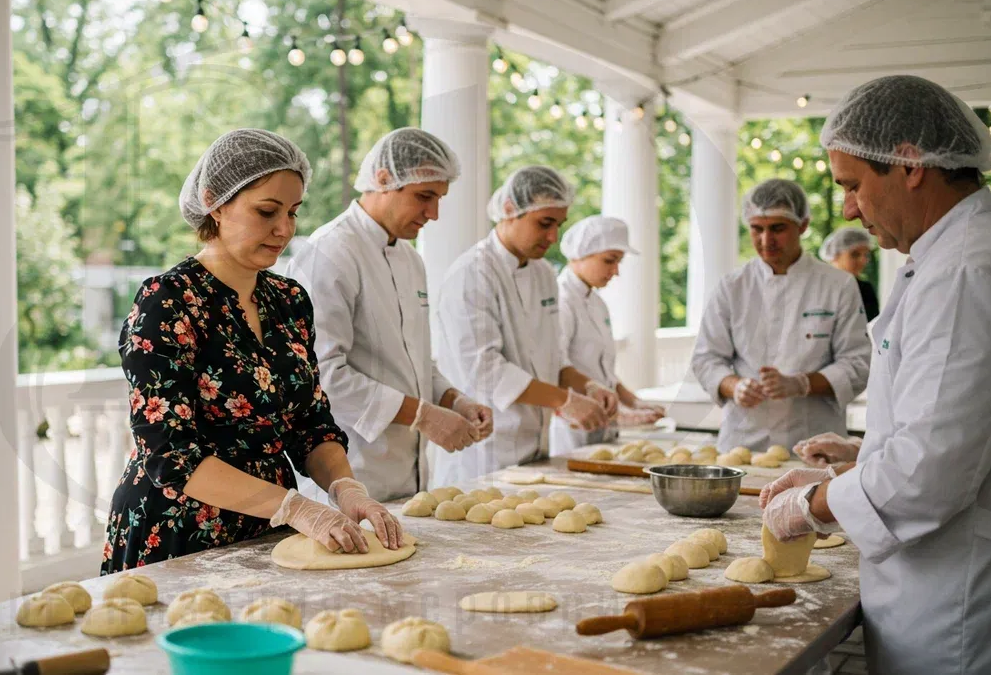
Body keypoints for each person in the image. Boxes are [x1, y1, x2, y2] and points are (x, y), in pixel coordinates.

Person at [761, 75, 991, 675]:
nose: (846, 207)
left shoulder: (966, 270)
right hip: (931, 584)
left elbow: (932, 467)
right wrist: (861, 456)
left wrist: (815, 505)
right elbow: (953, 419)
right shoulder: (948, 253)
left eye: (852, 185)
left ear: (909, 163)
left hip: (953, 605)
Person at [101, 129, 402, 572]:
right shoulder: (168, 301)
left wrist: (345, 488)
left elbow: (310, 424)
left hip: (270, 529)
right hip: (178, 531)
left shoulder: (289, 300)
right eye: (266, 211)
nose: (284, 229)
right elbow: (171, 455)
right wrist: (297, 508)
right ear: (215, 203)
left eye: (293, 213)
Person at [287, 128, 492, 502]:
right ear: (383, 179)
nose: (434, 213)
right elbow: (320, 376)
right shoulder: (329, 253)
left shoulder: (412, 260)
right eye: (424, 197)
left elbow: (415, 361)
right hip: (349, 476)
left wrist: (453, 399)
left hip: (410, 477)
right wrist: (424, 416)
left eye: (439, 198)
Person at [432, 166, 616, 487]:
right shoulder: (472, 274)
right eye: (545, 223)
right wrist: (565, 401)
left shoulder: (544, 274)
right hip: (485, 452)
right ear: (509, 210)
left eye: (559, 225)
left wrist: (588, 386)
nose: (553, 237)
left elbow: (553, 358)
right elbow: (485, 370)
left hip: (536, 449)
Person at [690, 179, 871, 452]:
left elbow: (857, 364)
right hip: (743, 444)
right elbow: (706, 358)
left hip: (815, 444)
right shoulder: (732, 287)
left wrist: (801, 384)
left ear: (803, 225)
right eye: (756, 229)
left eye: (777, 228)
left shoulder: (838, 285)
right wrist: (734, 386)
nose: (766, 240)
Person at [549, 216, 665, 452]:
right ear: (581, 254)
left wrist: (633, 401)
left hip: (603, 427)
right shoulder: (561, 301)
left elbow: (604, 372)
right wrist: (619, 414)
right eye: (610, 261)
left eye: (619, 262)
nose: (616, 271)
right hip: (571, 429)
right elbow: (557, 367)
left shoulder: (597, 302)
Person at [819, 226, 879, 321]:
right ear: (835, 255)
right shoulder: (819, 287)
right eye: (855, 254)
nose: (863, 260)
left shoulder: (865, 290)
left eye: (866, 255)